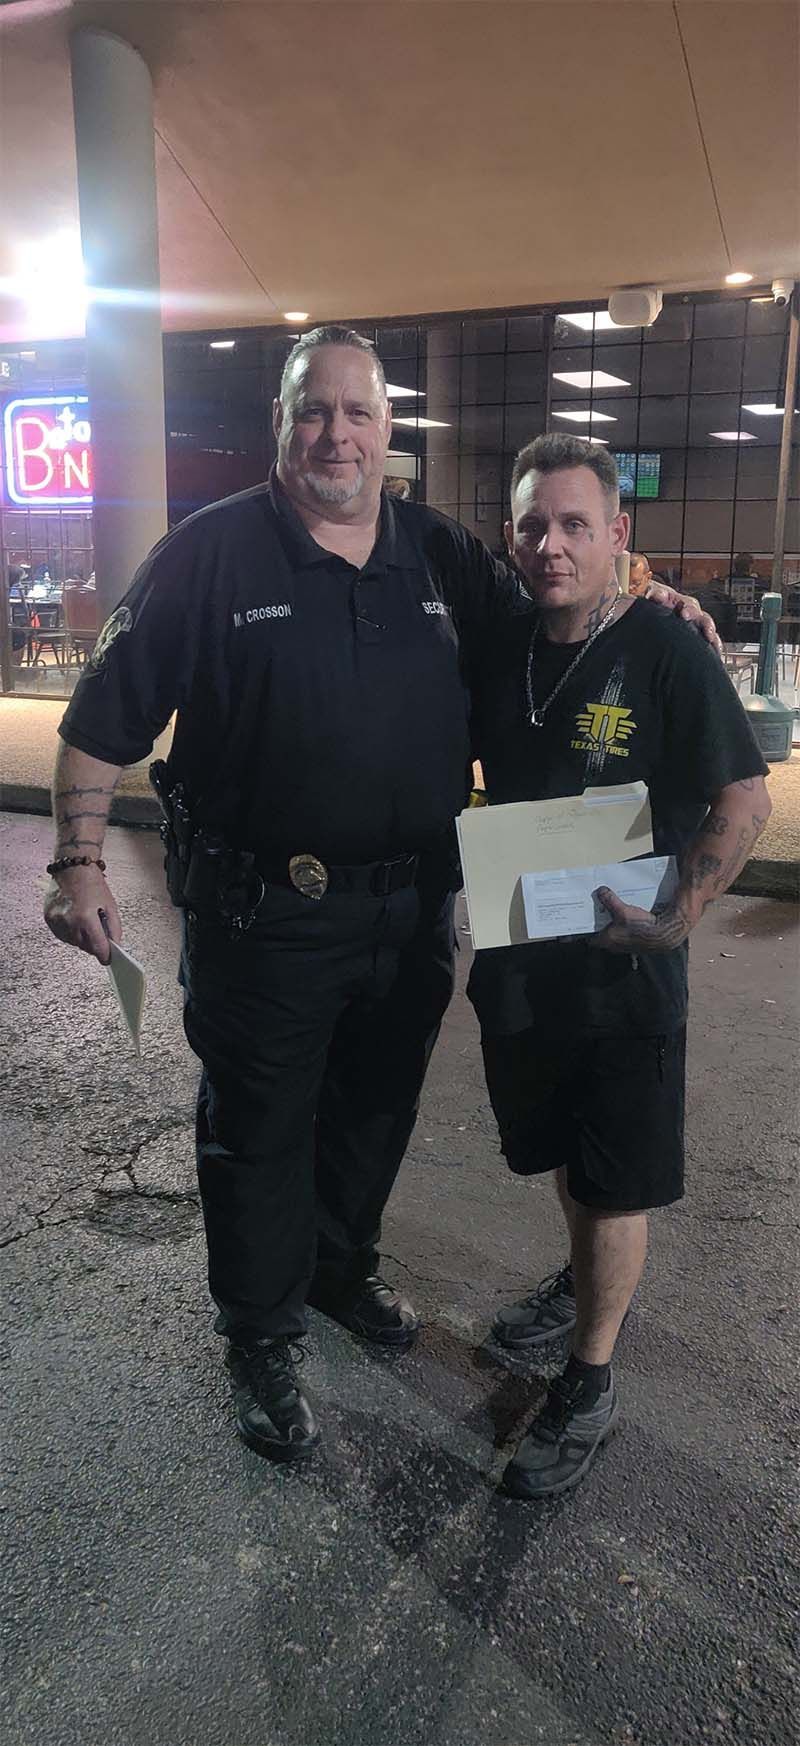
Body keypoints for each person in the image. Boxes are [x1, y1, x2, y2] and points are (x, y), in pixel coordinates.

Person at [43, 327, 716, 1467]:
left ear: (387, 429)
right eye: (314, 410)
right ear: (281, 422)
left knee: (373, 1110)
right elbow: (100, 722)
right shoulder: (208, 555)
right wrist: (79, 861)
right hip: (261, 916)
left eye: (357, 412)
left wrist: (652, 603)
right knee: (257, 1130)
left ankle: (339, 1269)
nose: (336, 434)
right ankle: (261, 1335)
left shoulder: (437, 554)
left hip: (408, 915)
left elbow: (559, 606)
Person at [467, 433, 771, 1501]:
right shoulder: (500, 641)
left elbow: (745, 800)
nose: (551, 544)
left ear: (617, 535)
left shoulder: (666, 648)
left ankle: (589, 1381)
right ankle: (579, 1283)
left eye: (575, 524)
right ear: (511, 535)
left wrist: (678, 917)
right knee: (567, 1156)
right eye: (533, 525)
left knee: (613, 1179)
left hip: (623, 973)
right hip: (524, 956)